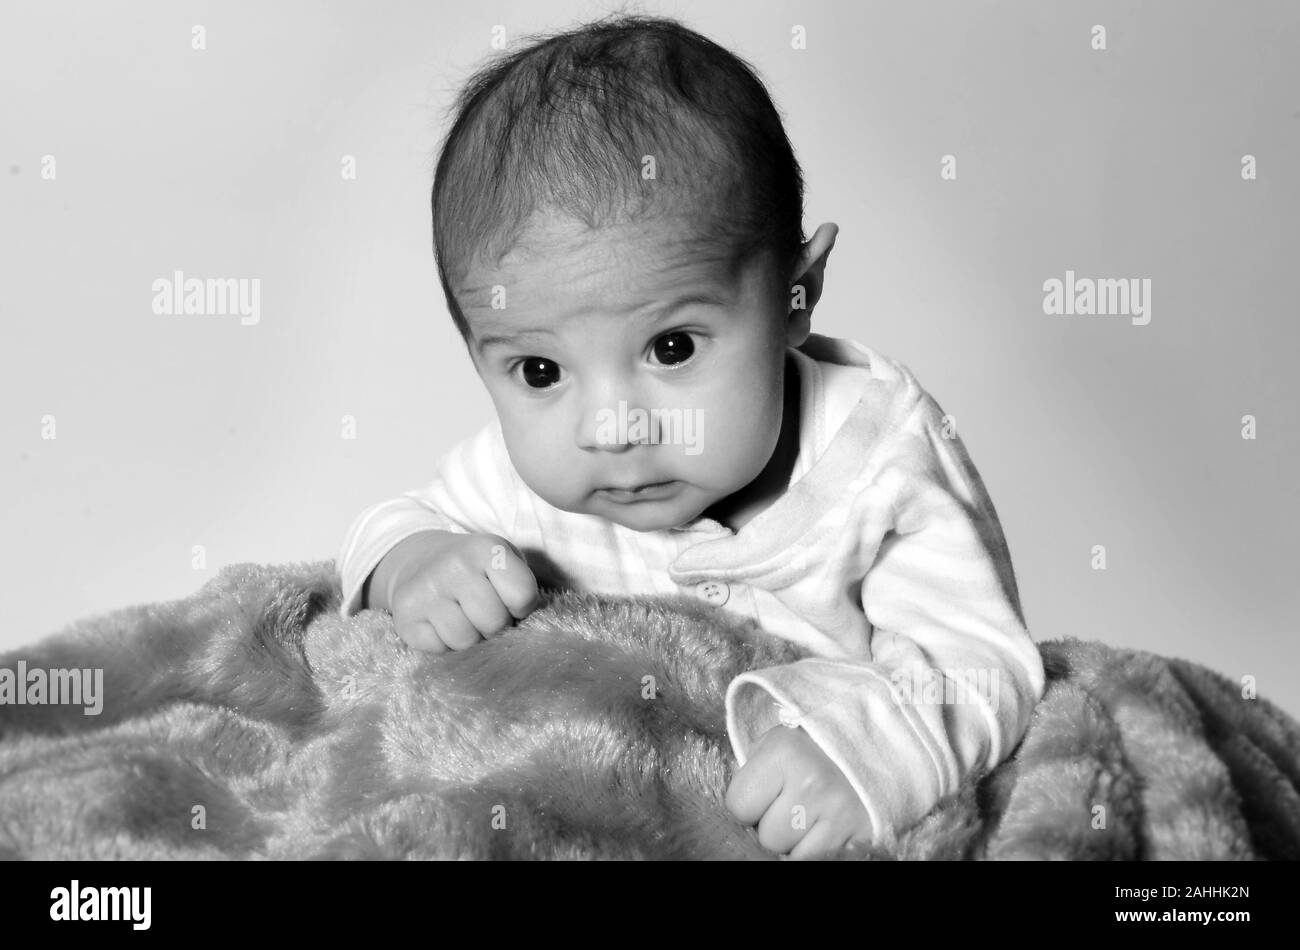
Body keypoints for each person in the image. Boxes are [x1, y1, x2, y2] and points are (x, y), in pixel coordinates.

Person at [336, 14, 1045, 858]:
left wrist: (867, 754)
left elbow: (979, 658)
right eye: (538, 372)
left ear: (797, 296)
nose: (612, 427)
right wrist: (411, 563)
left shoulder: (877, 462)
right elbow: (389, 527)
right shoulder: (520, 478)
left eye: (671, 349)